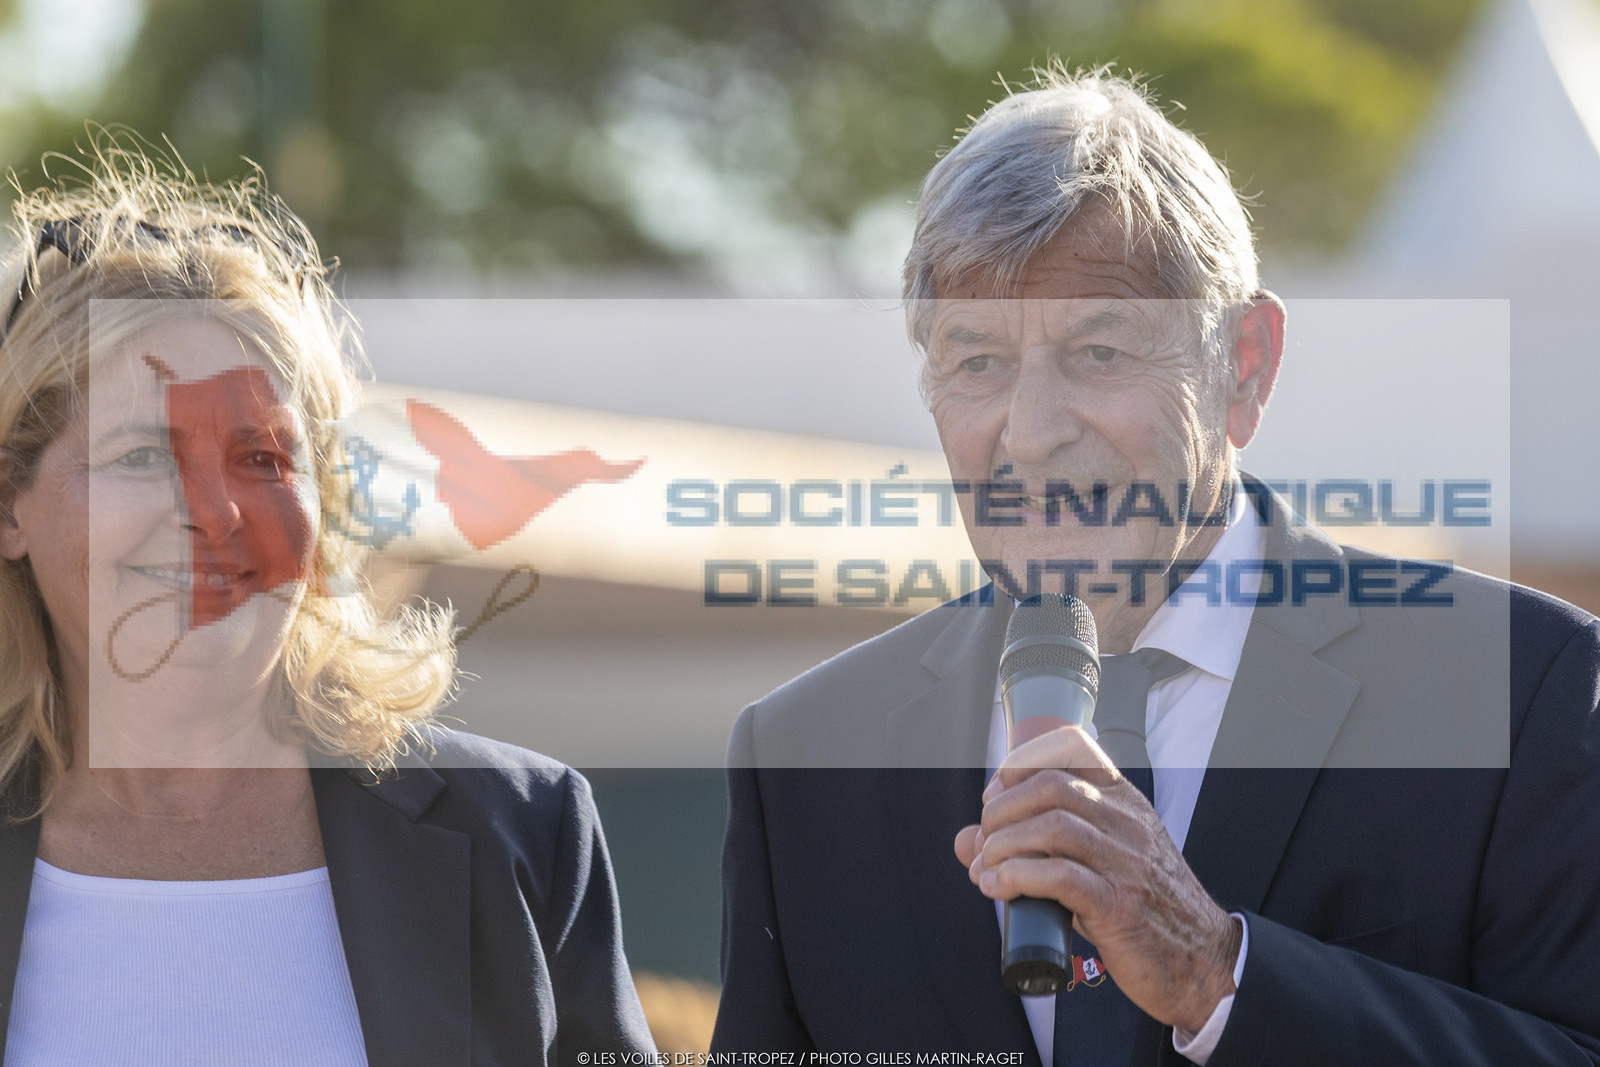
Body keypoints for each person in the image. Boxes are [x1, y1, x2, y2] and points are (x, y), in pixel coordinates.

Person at [712, 69, 1600, 1064]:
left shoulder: (1517, 686)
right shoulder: (801, 756)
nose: (1033, 433)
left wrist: (1219, 973)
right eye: (977, 363)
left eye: (1099, 351)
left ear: (1245, 366)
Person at [0, 141, 655, 1064]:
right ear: (11, 506)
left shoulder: (521, 830)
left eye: (262, 459)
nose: (215, 514)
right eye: (144, 456)